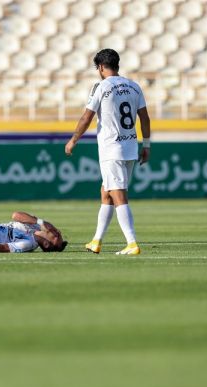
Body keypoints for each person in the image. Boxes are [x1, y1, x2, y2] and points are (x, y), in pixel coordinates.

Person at [64, 48, 151, 255]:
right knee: (107, 193)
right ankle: (96, 240)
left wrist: (73, 139)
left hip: (111, 150)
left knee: (118, 195)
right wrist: (146, 145)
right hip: (130, 148)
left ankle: (132, 243)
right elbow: (145, 118)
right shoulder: (134, 86)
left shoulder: (101, 87)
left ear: (101, 67)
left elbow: (87, 117)